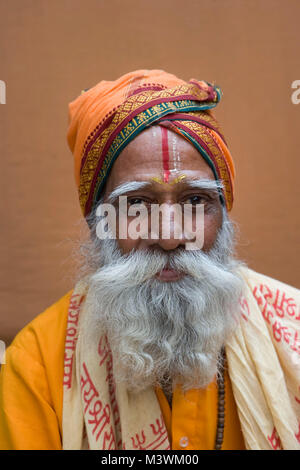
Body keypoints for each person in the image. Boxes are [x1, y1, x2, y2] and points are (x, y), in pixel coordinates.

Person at [0, 70, 299, 451]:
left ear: (224, 215)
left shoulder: (293, 334)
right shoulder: (36, 365)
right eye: (137, 203)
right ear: (98, 221)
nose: (172, 236)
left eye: (195, 201)